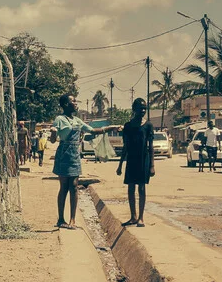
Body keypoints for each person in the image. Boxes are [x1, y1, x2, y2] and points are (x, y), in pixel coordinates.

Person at [52, 94, 119, 229]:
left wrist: (111, 128)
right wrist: (53, 132)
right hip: (63, 154)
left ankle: (72, 220)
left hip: (74, 155)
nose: (76, 103)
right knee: (64, 187)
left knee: (74, 186)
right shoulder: (59, 119)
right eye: (73, 101)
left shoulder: (77, 120)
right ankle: (60, 219)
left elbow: (93, 130)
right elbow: (53, 140)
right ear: (65, 104)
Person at [117, 98, 155, 227]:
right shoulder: (128, 126)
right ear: (134, 109)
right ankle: (133, 216)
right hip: (131, 160)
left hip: (143, 160)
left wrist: (152, 166)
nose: (143, 111)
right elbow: (125, 147)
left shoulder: (148, 125)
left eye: (145, 108)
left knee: (142, 188)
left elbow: (151, 147)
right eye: (140, 108)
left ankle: (141, 217)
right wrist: (120, 165)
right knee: (131, 188)